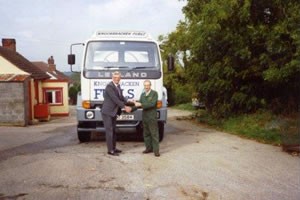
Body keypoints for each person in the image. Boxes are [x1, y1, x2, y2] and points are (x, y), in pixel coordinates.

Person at [102, 71, 131, 156]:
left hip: (113, 112)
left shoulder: (118, 86)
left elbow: (121, 97)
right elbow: (115, 99)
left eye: (118, 78)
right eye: (115, 78)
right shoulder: (109, 87)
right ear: (112, 78)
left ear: (120, 79)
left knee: (113, 131)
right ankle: (110, 150)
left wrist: (130, 102)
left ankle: (114, 148)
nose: (116, 79)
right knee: (109, 131)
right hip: (107, 112)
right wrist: (125, 107)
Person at [134, 80, 160, 157]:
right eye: (145, 85)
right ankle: (148, 148)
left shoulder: (154, 93)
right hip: (144, 117)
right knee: (146, 134)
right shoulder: (142, 95)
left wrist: (140, 104)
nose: (146, 87)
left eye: (148, 85)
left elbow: (152, 104)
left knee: (154, 134)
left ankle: (156, 151)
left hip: (152, 117)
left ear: (150, 85)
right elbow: (138, 105)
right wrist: (129, 108)